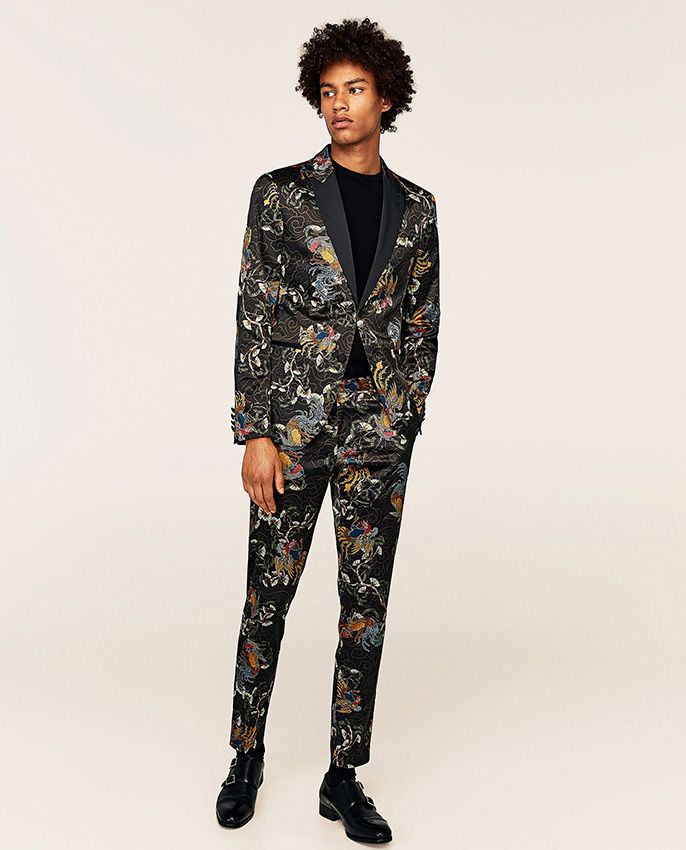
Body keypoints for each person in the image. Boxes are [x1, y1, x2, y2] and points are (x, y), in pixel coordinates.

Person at [216, 17, 441, 843]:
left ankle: (343, 775)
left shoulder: (417, 210)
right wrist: (256, 430)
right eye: (327, 92)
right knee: (266, 598)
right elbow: (254, 311)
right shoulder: (279, 194)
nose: (338, 104)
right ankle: (246, 755)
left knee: (364, 608)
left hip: (377, 438)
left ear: (385, 99)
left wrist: (405, 414)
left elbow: (422, 322)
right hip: (292, 432)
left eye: (354, 89)